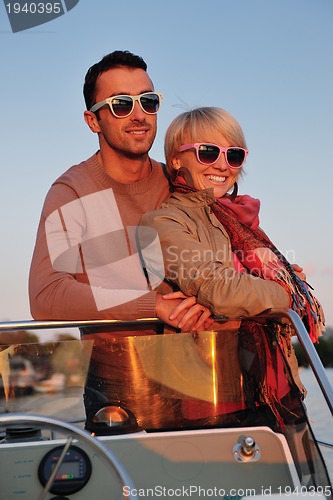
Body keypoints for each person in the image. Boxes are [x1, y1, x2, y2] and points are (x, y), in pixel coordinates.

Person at [139, 107, 325, 411]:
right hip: (209, 400)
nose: (223, 165)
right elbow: (220, 290)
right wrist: (290, 290)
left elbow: (292, 323)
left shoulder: (243, 222)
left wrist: (267, 297)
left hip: (279, 394)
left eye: (234, 155)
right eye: (208, 152)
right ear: (175, 159)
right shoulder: (161, 223)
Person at [29, 50, 211, 333]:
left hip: (201, 366)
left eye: (148, 101)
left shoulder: (179, 182)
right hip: (115, 374)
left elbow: (225, 259)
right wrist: (152, 305)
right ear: (92, 121)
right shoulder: (72, 192)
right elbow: (46, 294)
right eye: (121, 105)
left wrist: (271, 275)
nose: (139, 115)